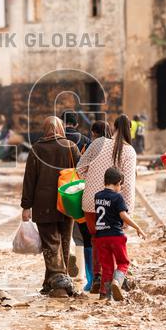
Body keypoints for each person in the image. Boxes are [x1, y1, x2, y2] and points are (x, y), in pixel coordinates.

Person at [21, 116, 82, 297]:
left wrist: (26, 206)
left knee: (51, 243)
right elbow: (82, 171)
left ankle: (59, 283)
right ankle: (51, 283)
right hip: (67, 200)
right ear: (61, 129)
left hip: (43, 204)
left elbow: (29, 180)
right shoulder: (71, 147)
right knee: (63, 242)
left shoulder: (37, 149)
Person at [81, 115, 137, 294]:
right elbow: (127, 184)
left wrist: (91, 183)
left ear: (113, 128)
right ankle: (115, 279)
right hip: (114, 205)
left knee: (97, 239)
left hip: (91, 201)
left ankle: (97, 278)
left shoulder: (98, 144)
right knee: (115, 241)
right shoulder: (129, 152)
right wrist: (126, 212)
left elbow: (80, 168)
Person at [92, 167, 147, 300]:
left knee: (106, 267)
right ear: (118, 183)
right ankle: (117, 282)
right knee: (123, 263)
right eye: (120, 185)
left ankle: (105, 295)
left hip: (100, 237)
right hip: (115, 235)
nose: (120, 188)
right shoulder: (117, 197)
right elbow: (123, 215)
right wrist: (137, 227)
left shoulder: (97, 196)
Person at [72, 120, 109, 291]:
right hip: (112, 199)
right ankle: (110, 278)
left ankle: (92, 278)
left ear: (94, 133)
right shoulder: (116, 147)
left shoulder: (93, 145)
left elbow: (80, 169)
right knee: (109, 238)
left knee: (89, 238)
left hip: (89, 198)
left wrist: (89, 180)